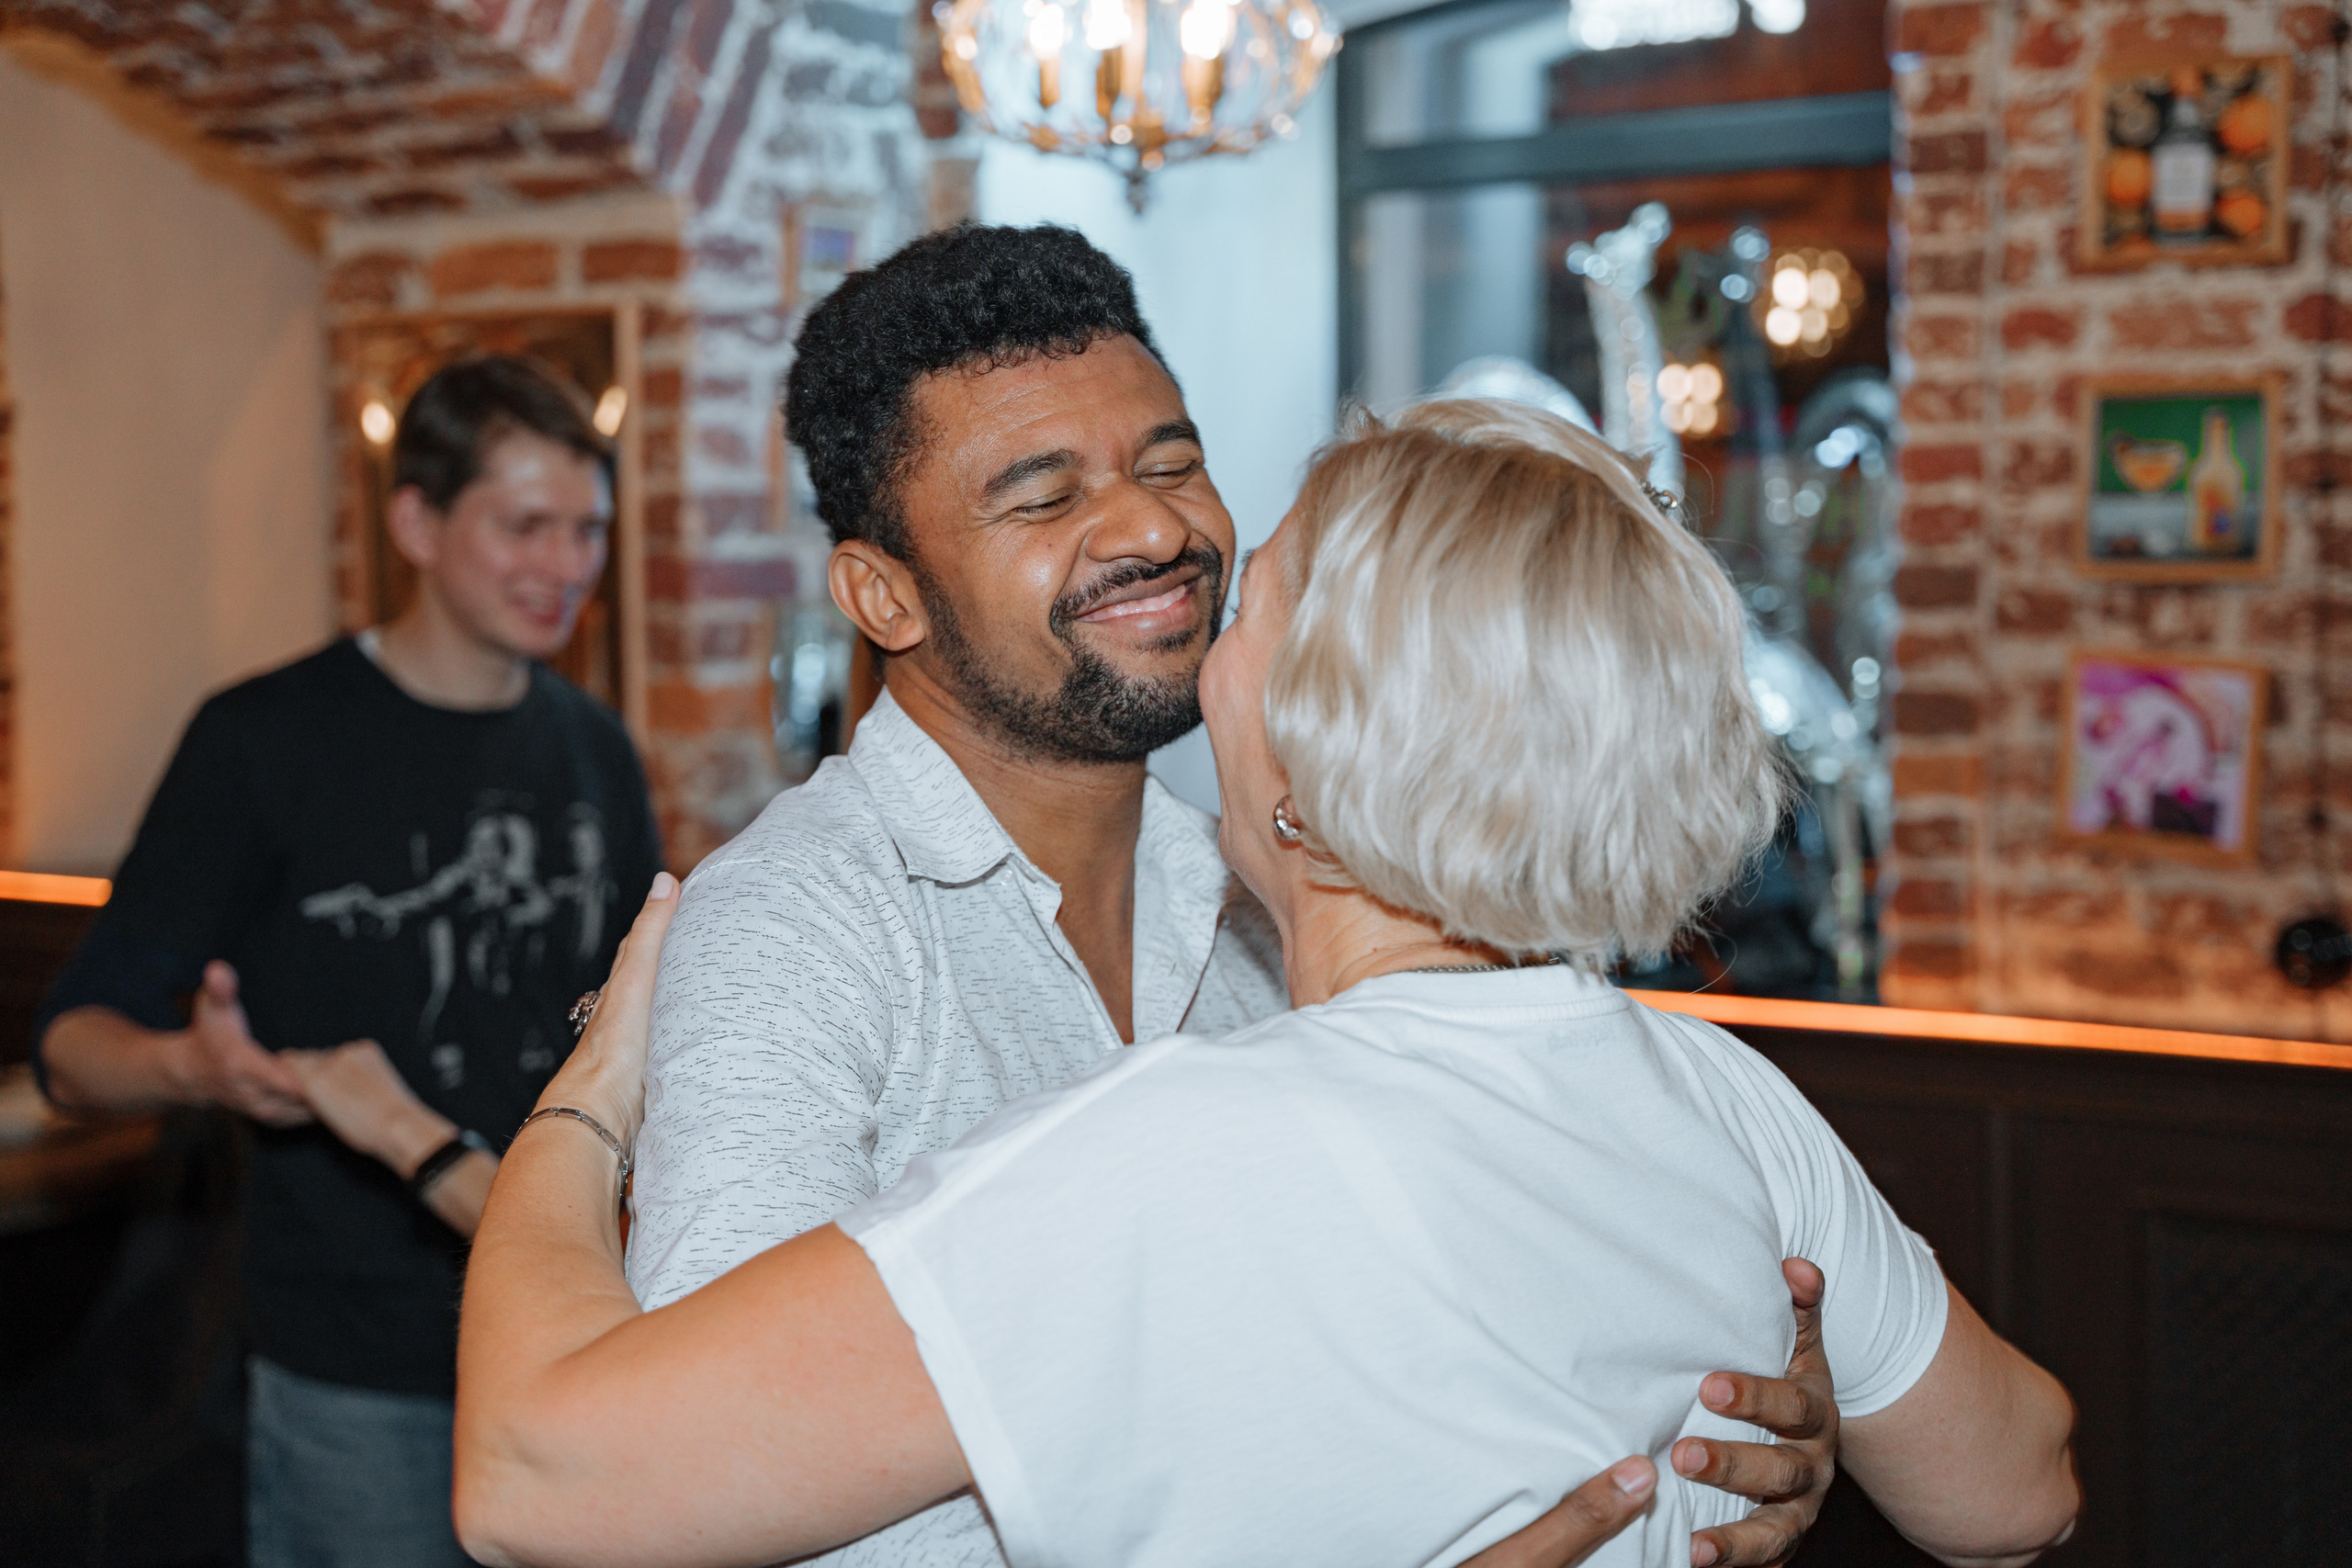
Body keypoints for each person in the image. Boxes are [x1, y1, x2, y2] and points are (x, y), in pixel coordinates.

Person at [451, 400, 2082, 1568]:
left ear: (1306, 755)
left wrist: (583, 1107)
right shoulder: (1721, 1095)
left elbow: (534, 1477)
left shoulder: (1162, 1157)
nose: (1203, 606)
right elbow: (2018, 1491)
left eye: (1260, 604)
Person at [626, 223, 1834, 1567]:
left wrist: (1714, 1427)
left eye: (1171, 464)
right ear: (883, 596)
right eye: (1043, 498)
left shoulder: (1306, 894)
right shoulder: (794, 930)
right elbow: (682, 1493)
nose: (1155, 530)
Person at [37, 355, 663, 1568]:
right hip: (358, 1371)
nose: (566, 564)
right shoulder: (262, 740)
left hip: (566, 1333)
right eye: (525, 525)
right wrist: (193, 1069)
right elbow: (72, 1047)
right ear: (416, 524)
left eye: (588, 529)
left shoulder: (594, 749)